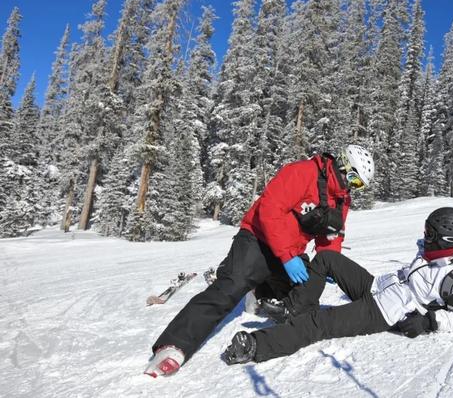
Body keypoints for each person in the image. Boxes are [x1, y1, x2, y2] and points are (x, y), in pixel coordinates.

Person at [144, 145, 375, 377]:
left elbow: (331, 235)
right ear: (344, 165)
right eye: (354, 180)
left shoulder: (341, 200)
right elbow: (269, 210)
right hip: (258, 239)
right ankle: (173, 345)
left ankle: (260, 291)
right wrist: (286, 256)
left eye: (359, 186)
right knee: (230, 287)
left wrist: (329, 262)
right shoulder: (303, 172)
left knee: (303, 307)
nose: (352, 188)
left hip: (291, 253)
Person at [221, 207, 453, 365]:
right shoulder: (434, 254)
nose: (424, 237)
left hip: (385, 311)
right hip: (378, 287)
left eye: (429, 233)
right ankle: (295, 307)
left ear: (448, 239)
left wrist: (429, 322)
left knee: (319, 323)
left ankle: (256, 346)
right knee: (327, 258)